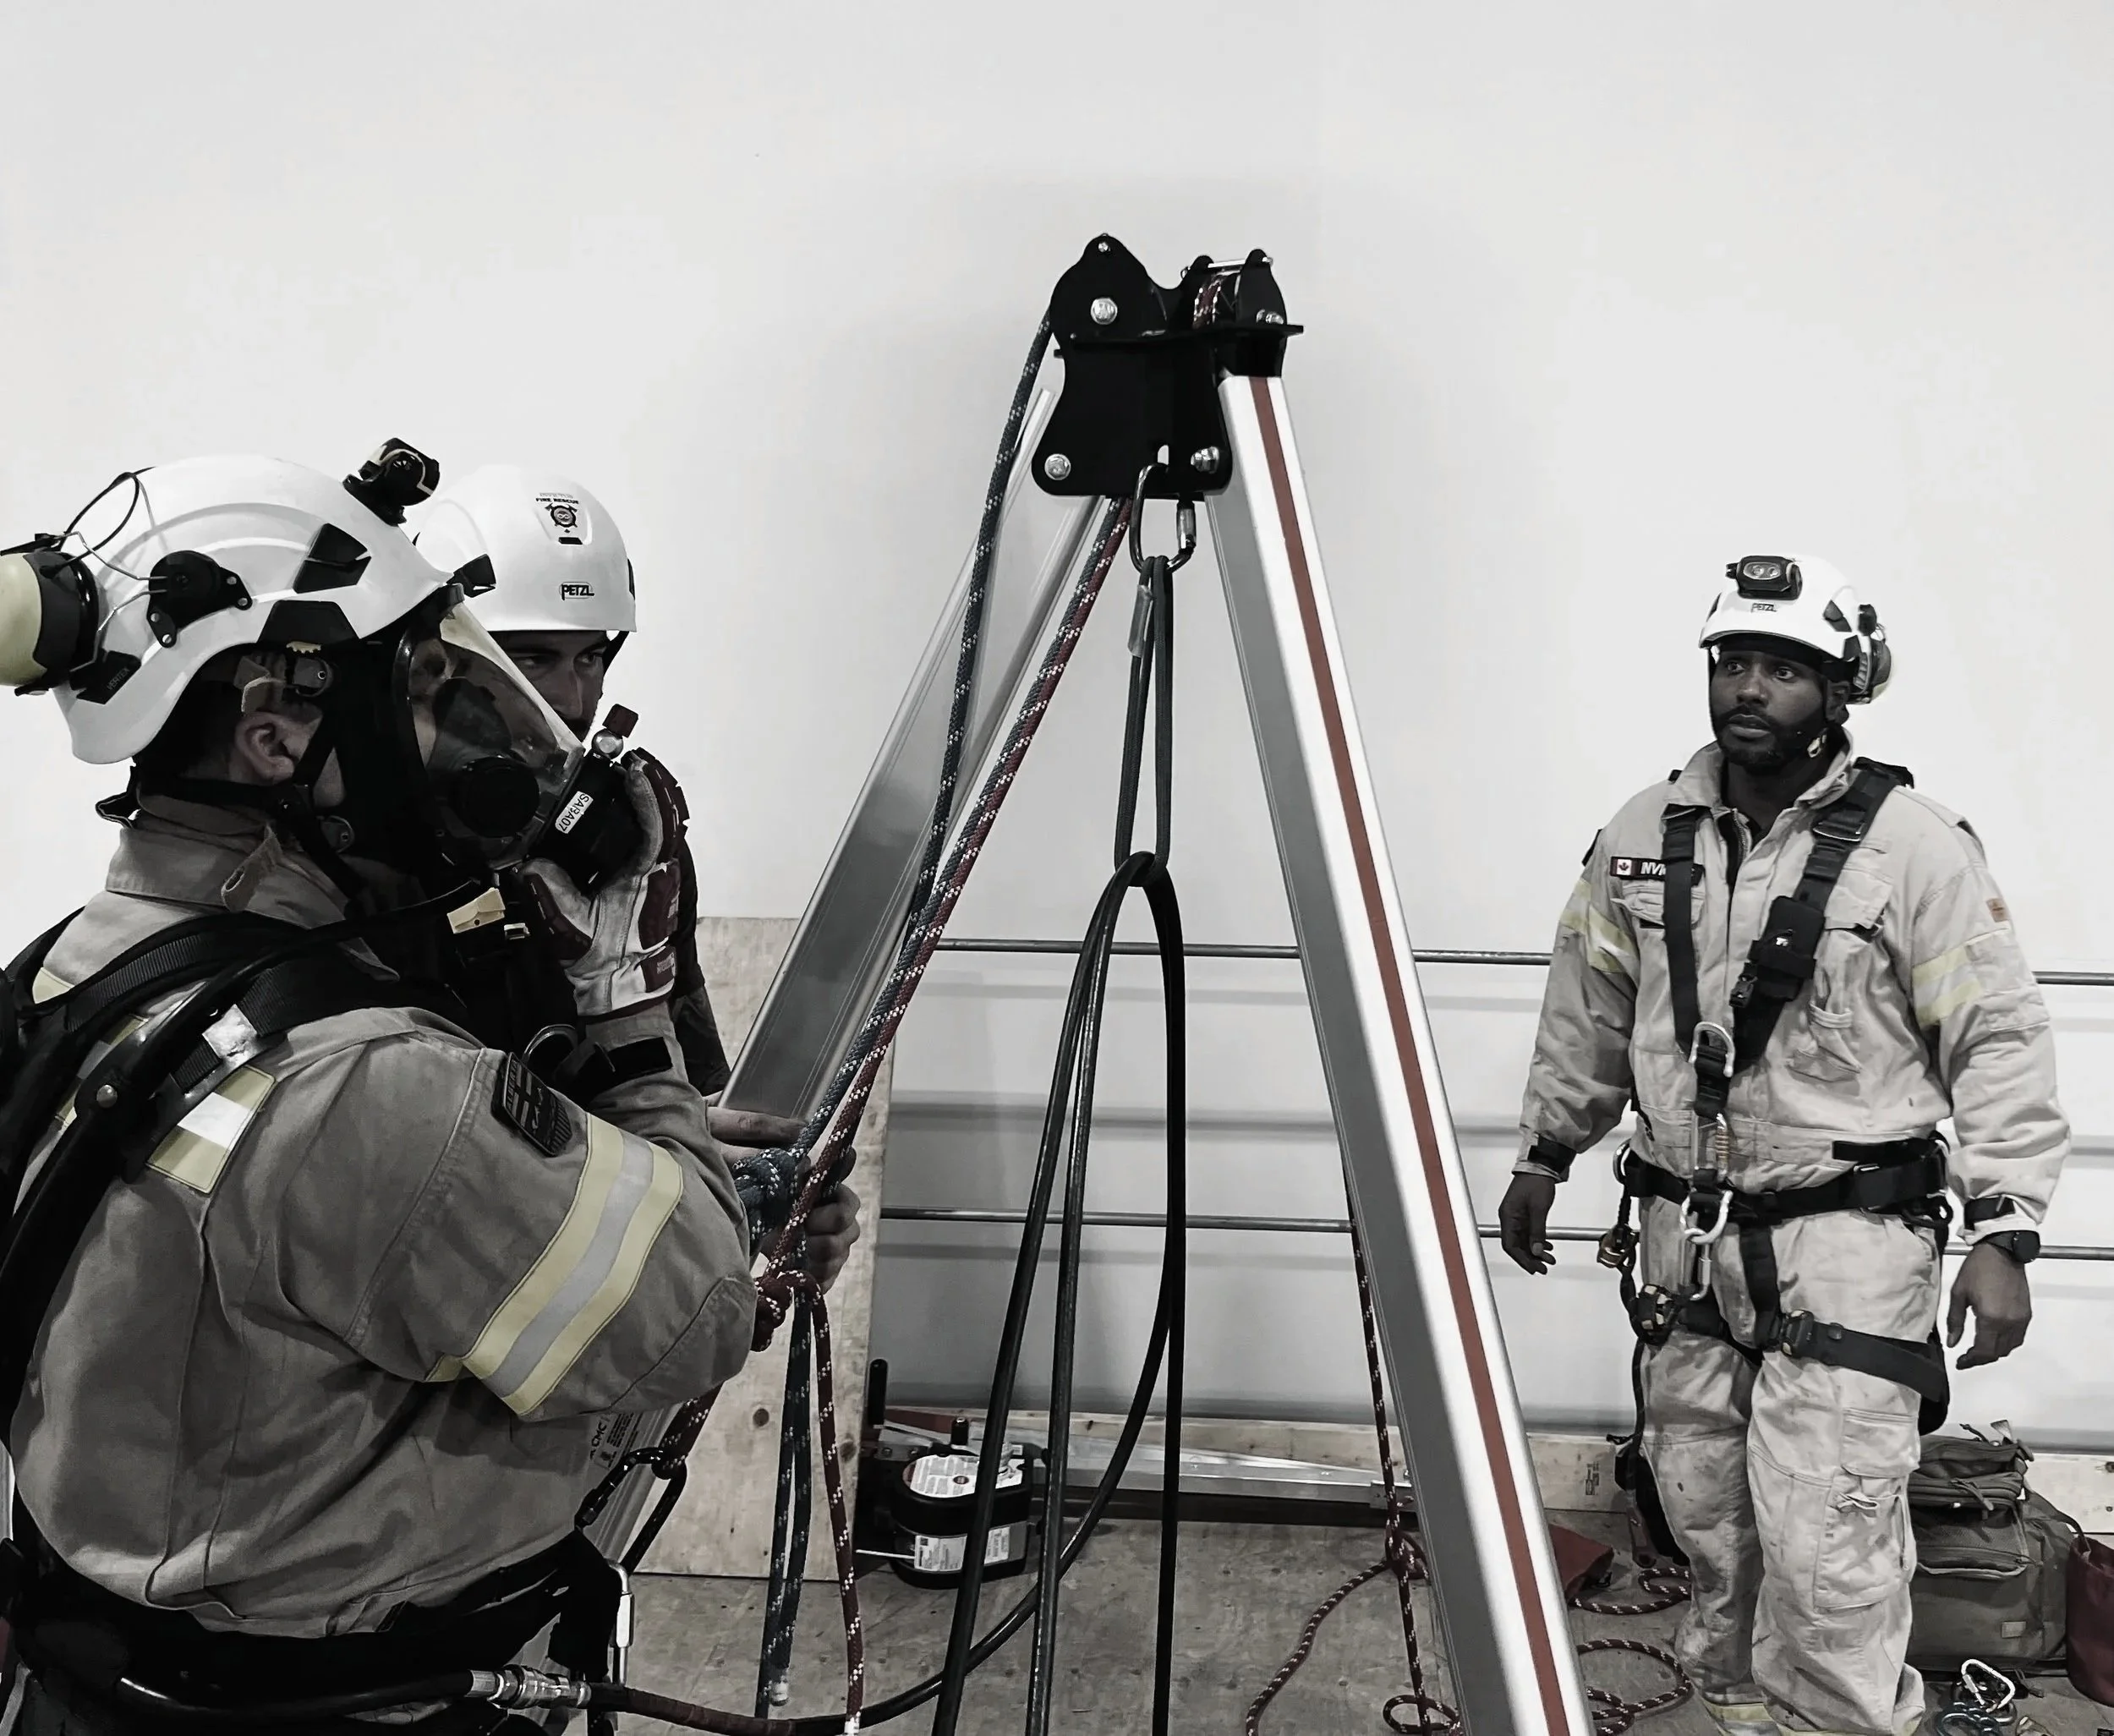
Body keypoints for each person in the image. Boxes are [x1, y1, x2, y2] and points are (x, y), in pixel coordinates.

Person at [0, 450, 799, 1733]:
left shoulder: (73, 972)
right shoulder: (360, 1087)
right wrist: (621, 1009)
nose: (470, 731)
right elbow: (694, 1310)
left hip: (111, 1674)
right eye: (418, 685)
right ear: (278, 729)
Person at [1498, 556, 2066, 1736]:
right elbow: (1590, 1004)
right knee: (1709, 1528)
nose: (1750, 688)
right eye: (1734, 663)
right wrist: (1546, 1151)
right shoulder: (1641, 834)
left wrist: (2007, 1229)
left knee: (1828, 1550)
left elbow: (1998, 1034)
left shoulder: (1914, 848)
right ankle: (1735, 1719)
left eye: (1785, 669)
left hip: (1847, 1242)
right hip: (1685, 1243)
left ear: (1841, 689)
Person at [414, 465, 862, 1262]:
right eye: (535, 658)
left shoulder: (629, 842)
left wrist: (754, 1195)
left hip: (608, 1285)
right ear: (439, 661)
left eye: (591, 658)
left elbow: (681, 1084)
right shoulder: (371, 862)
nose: (575, 701)